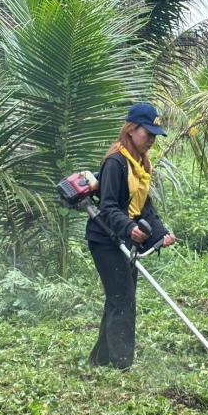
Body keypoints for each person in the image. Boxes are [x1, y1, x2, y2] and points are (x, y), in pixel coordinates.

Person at [85, 102, 176, 370]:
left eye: (154, 135)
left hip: (123, 238)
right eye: (147, 133)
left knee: (119, 297)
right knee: (123, 299)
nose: (151, 140)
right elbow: (109, 206)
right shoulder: (115, 162)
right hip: (106, 240)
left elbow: (144, 206)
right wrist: (129, 228)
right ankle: (122, 365)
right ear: (131, 130)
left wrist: (160, 234)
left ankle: (100, 359)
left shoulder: (140, 165)